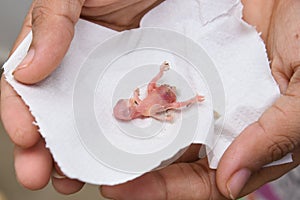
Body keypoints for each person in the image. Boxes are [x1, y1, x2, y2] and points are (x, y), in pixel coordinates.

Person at [1, 0, 299, 199]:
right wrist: (174, 107)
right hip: (279, 180)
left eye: (128, 107)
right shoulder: (143, 110)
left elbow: (152, 91)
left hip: (162, 93)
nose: (131, 107)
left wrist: (160, 78)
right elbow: (162, 109)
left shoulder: (138, 100)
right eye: (130, 110)